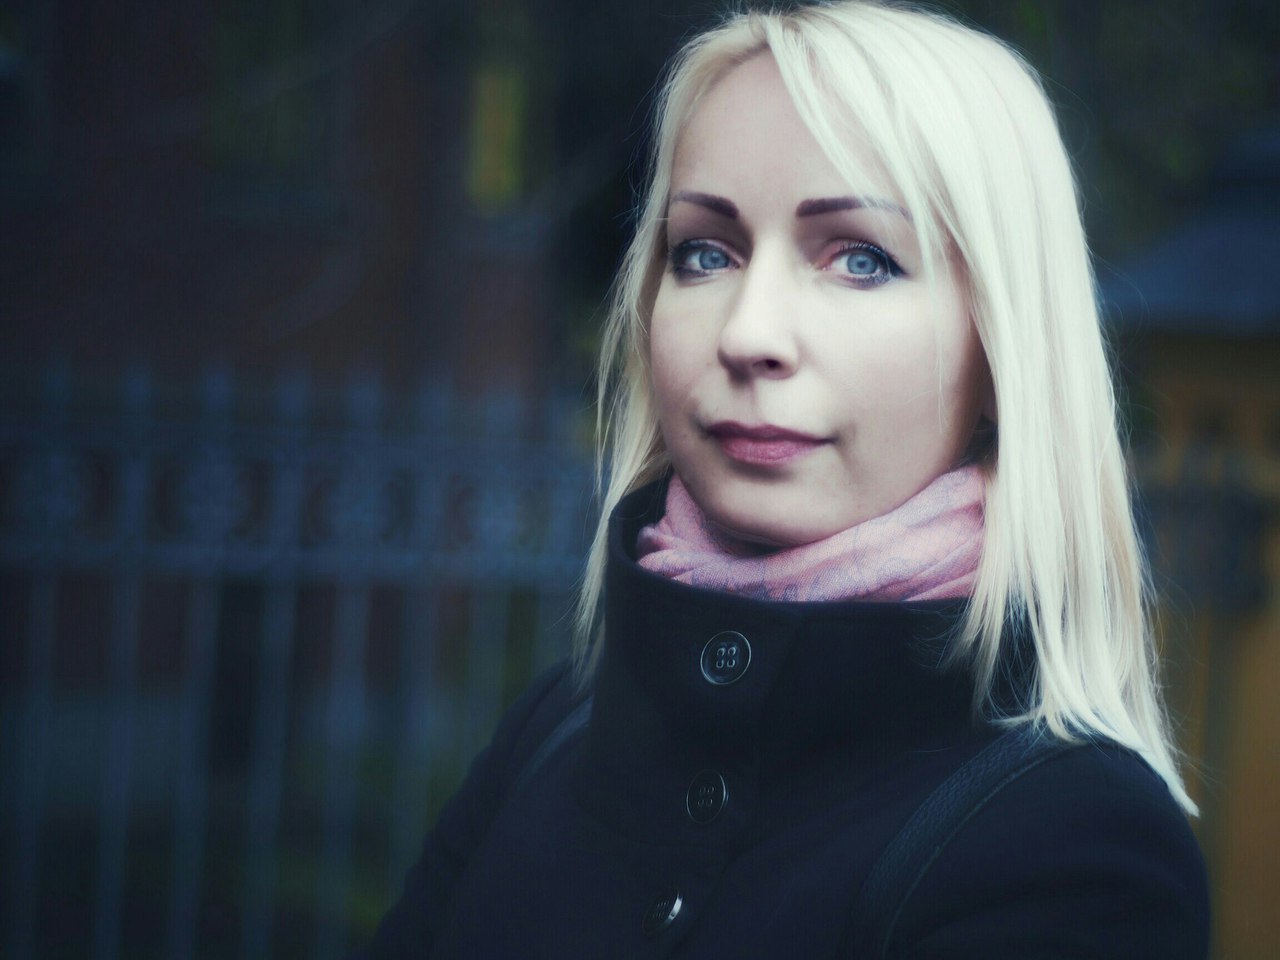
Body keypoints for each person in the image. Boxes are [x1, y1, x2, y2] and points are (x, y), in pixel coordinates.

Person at [367, 2, 1209, 956]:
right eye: (705, 253)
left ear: (1004, 347)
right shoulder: (555, 732)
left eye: (861, 260)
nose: (748, 333)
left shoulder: (1074, 848)